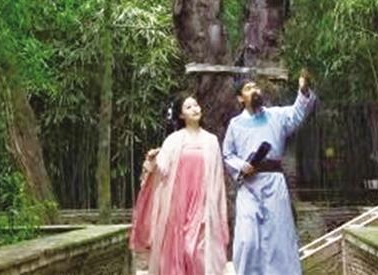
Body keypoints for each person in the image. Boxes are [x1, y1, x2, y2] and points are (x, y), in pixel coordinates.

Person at [223, 72, 316, 275]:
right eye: (248, 89)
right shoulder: (235, 124)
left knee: (278, 236)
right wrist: (241, 166)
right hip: (248, 185)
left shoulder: (276, 115)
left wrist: (303, 90)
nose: (254, 90)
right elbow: (227, 154)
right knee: (247, 238)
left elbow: (297, 113)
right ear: (240, 98)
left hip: (274, 183)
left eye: (255, 87)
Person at [130, 94, 229, 275]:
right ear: (181, 115)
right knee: (179, 250)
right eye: (189, 107)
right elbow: (162, 171)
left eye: (196, 105)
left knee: (196, 251)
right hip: (177, 205)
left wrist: (214, 204)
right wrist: (152, 161)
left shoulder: (211, 141)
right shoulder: (173, 140)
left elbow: (217, 176)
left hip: (203, 202)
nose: (195, 109)